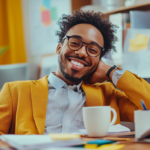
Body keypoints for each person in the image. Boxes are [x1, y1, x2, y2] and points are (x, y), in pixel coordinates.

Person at [0, 10, 150, 135]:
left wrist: (111, 71)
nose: (82, 53)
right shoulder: (15, 92)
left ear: (99, 61)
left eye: (93, 50)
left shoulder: (107, 94)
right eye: (74, 43)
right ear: (59, 48)